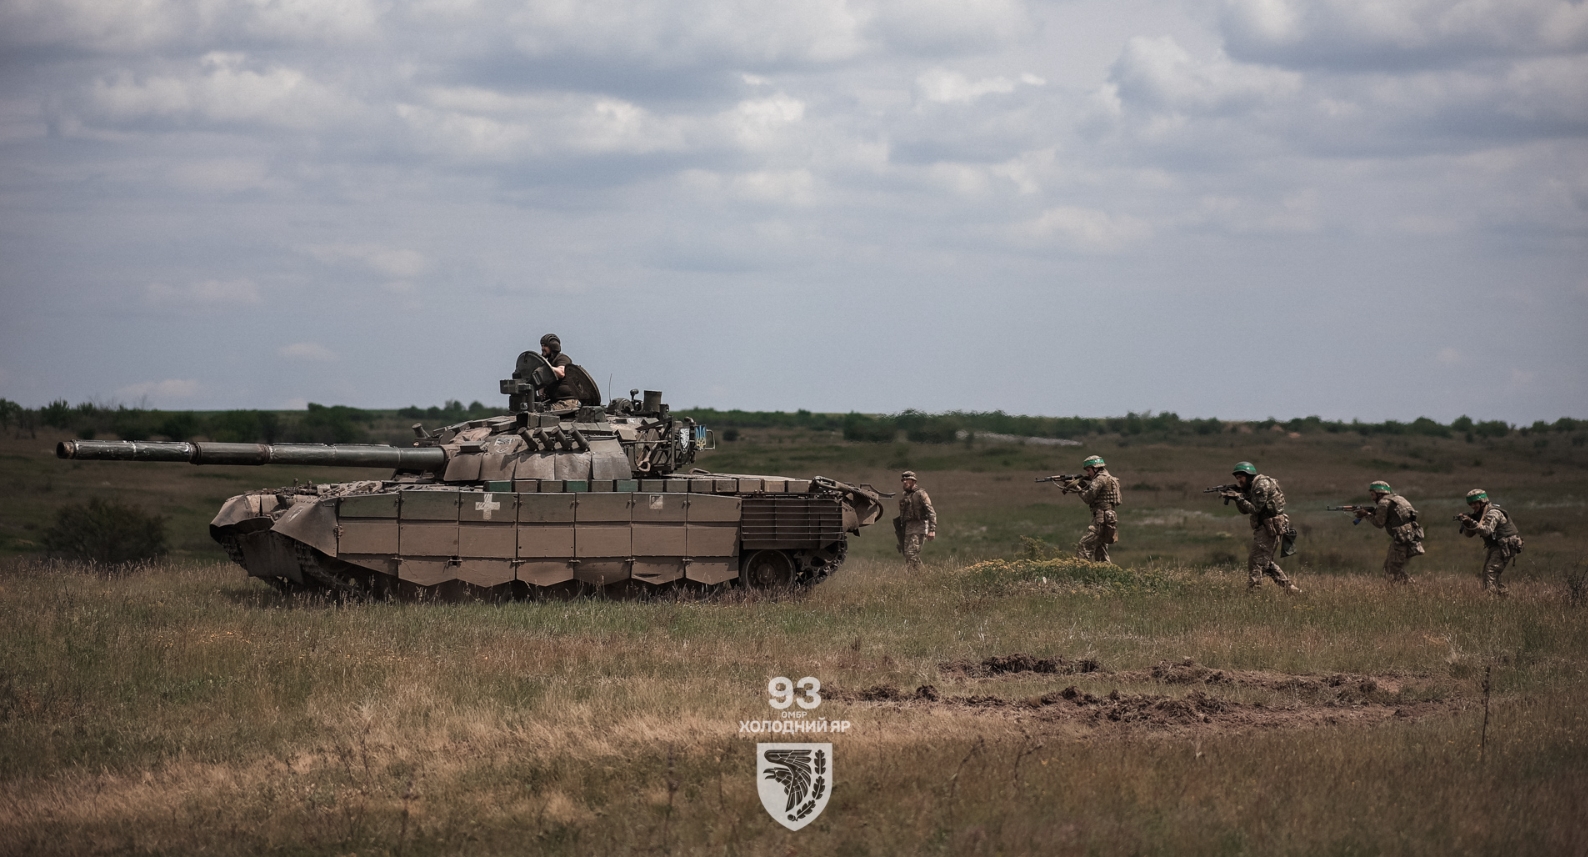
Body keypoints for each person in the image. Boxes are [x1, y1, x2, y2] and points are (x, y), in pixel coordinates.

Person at [1221, 461, 1301, 593]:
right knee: (1266, 562)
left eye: (1241, 477)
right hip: (1264, 526)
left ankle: (1254, 593)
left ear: (1249, 474)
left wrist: (1239, 498)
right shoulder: (1251, 487)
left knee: (1256, 561)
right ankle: (1291, 589)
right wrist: (1237, 497)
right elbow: (1244, 511)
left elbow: (1255, 509)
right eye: (1237, 478)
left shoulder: (1261, 485)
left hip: (1270, 526)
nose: (1239, 480)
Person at [1050, 455, 1121, 562]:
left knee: (1084, 546)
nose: (1088, 473)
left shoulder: (1099, 479)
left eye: (1089, 470)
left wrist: (1076, 487)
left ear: (1095, 468)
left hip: (1101, 519)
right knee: (1101, 552)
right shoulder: (1109, 478)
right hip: (1108, 518)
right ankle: (1106, 575)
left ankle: (1081, 571)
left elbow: (1088, 498)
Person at [1355, 481, 1425, 584]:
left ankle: (1413, 588)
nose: (1372, 498)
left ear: (1379, 493)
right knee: (1389, 568)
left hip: (1401, 539)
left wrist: (1366, 514)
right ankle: (1404, 589)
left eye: (1372, 495)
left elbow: (1379, 523)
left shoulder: (1383, 503)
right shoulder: (1398, 499)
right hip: (1408, 537)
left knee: (1392, 569)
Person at [1458, 489, 1524, 596]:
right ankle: (1506, 597)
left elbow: (1486, 531)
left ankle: (1491, 598)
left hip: (1505, 545)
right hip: (1496, 546)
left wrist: (1471, 521)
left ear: (1483, 501)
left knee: (1491, 572)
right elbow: (1469, 535)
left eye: (1475, 503)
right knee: (1488, 573)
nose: (1473, 506)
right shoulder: (1479, 515)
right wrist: (1467, 523)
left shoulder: (1493, 513)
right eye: (1471, 504)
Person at [896, 471, 937, 572]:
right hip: (908, 528)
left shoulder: (920, 494)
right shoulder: (905, 496)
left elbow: (931, 511)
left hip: (919, 526)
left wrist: (932, 529)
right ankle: (915, 577)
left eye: (907, 480)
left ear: (913, 481)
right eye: (903, 480)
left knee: (911, 554)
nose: (905, 482)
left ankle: (923, 575)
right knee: (907, 555)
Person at [538, 333, 580, 411]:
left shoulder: (562, 358)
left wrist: (545, 368)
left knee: (545, 412)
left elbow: (561, 372)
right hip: (552, 401)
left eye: (545, 346)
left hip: (567, 402)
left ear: (553, 347)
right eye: (542, 346)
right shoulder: (548, 363)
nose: (542, 348)